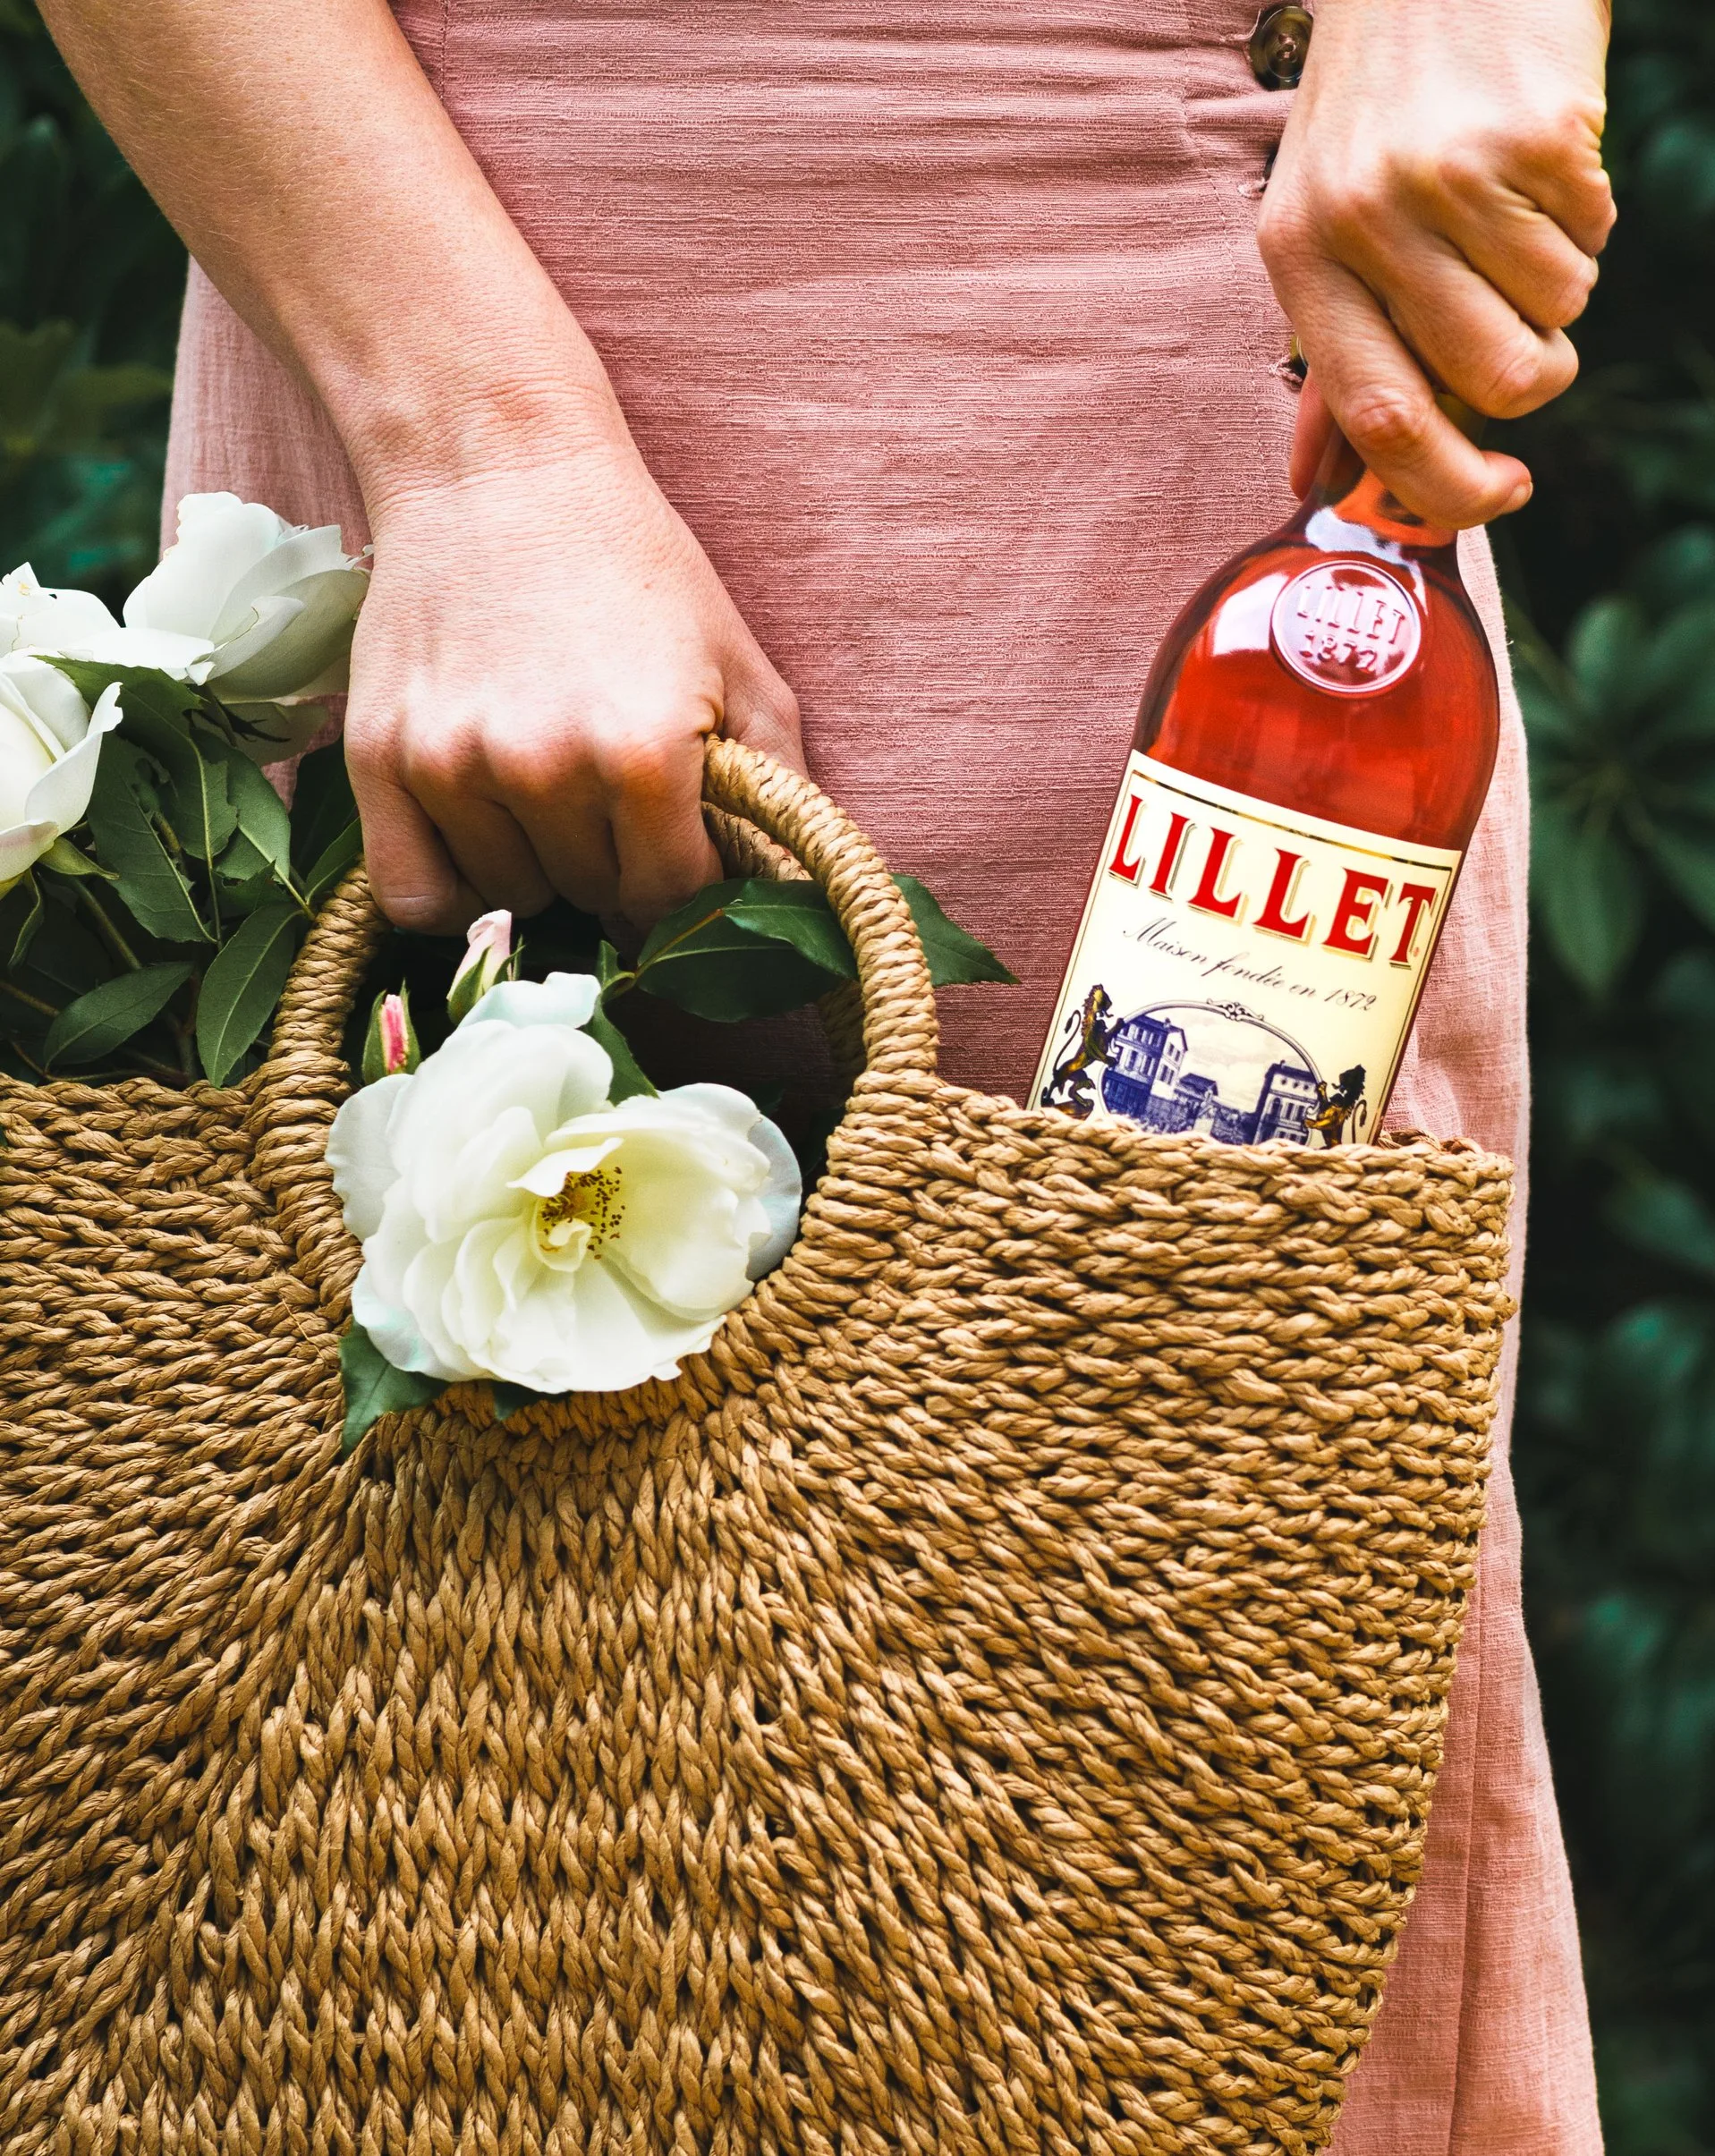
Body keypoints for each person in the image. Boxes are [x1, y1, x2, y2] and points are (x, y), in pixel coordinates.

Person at [38, 0, 1615, 2143]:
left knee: (1164, 1880)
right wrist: (482, 447)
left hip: (1142, 496)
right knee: (387, 1855)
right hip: (416, 337)